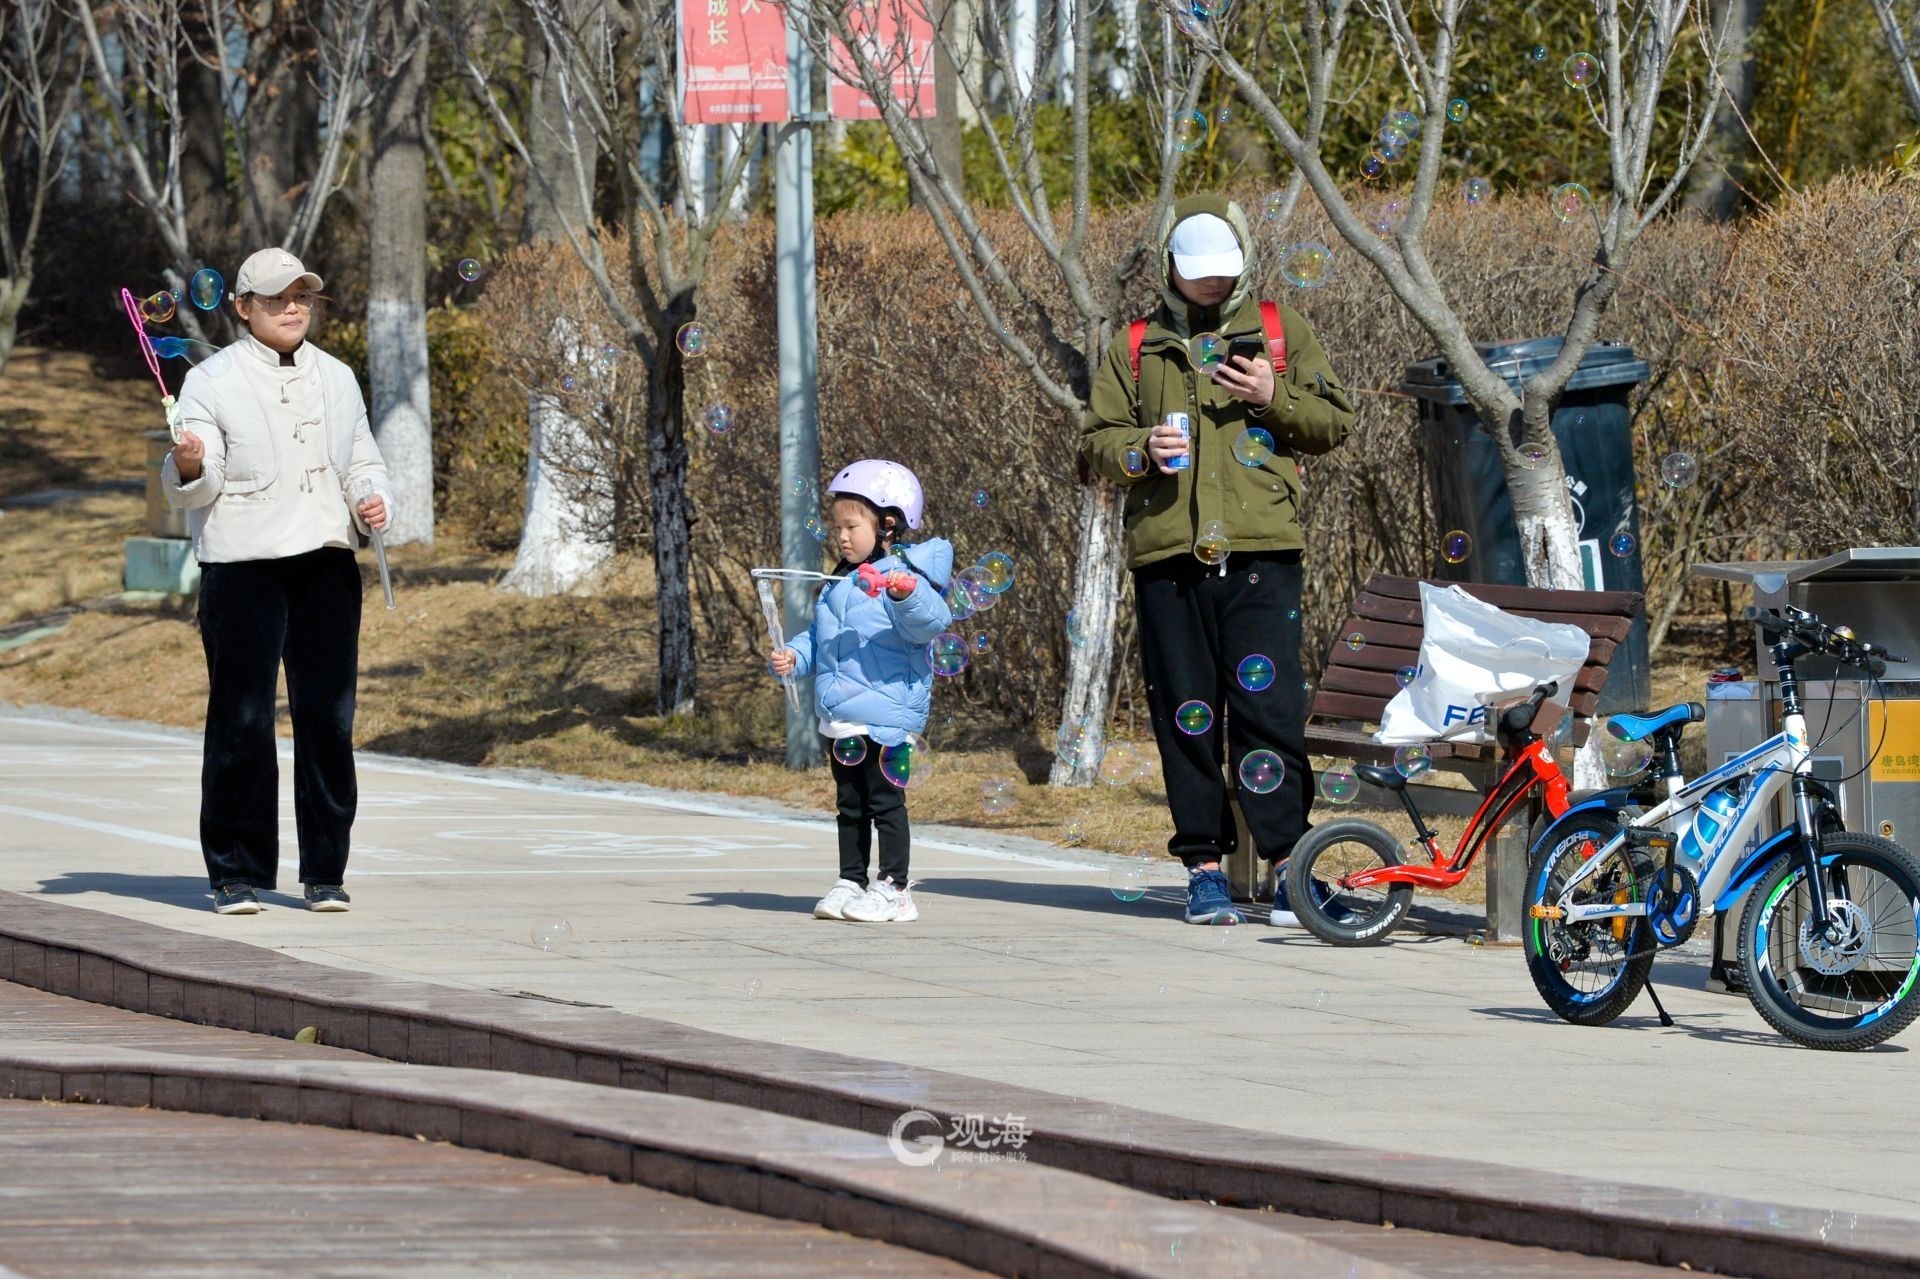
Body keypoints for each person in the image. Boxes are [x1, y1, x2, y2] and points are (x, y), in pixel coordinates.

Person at [1080, 194, 1355, 926]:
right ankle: (1203, 866)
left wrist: (1272, 395)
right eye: (1197, 271)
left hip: (1264, 552)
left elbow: (1333, 421)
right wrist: (1140, 450)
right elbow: (1096, 440)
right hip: (1169, 556)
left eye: (1222, 271)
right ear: (1170, 264)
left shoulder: (1276, 328)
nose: (1211, 284)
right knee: (1187, 717)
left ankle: (1291, 868)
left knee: (1271, 711)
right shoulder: (1136, 344)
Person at [160, 247, 395, 916]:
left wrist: (372, 499)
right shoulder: (211, 380)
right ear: (242, 307)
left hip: (325, 563)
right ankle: (235, 870)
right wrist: (187, 462)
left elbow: (361, 460)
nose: (293, 308)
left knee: (328, 719)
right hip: (242, 567)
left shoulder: (339, 376)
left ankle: (326, 871)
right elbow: (192, 488)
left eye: (302, 295)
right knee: (242, 718)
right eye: (275, 298)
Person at [769, 460, 953, 924]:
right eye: (838, 528)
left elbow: (929, 623)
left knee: (885, 803)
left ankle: (894, 889)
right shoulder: (838, 583)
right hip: (842, 716)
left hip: (888, 716)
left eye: (852, 526)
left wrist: (904, 591)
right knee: (849, 806)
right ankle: (850, 880)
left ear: (887, 524)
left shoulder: (908, 576)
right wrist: (795, 656)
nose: (842, 537)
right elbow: (819, 638)